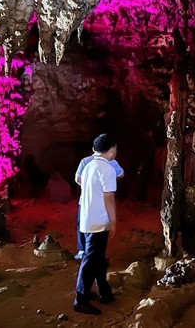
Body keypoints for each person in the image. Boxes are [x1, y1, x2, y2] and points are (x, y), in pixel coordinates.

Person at [73, 133, 118, 315]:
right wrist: (113, 222)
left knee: (98, 258)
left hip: (87, 219)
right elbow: (109, 198)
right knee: (91, 260)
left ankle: (104, 292)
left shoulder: (89, 165)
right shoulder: (107, 169)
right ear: (112, 149)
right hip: (98, 221)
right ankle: (80, 299)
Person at [74, 143, 124, 260]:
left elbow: (77, 178)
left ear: (93, 149)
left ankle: (83, 250)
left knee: (82, 224)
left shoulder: (85, 161)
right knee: (101, 229)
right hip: (101, 202)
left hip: (86, 200)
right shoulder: (111, 163)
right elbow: (121, 174)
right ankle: (98, 255)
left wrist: (88, 186)